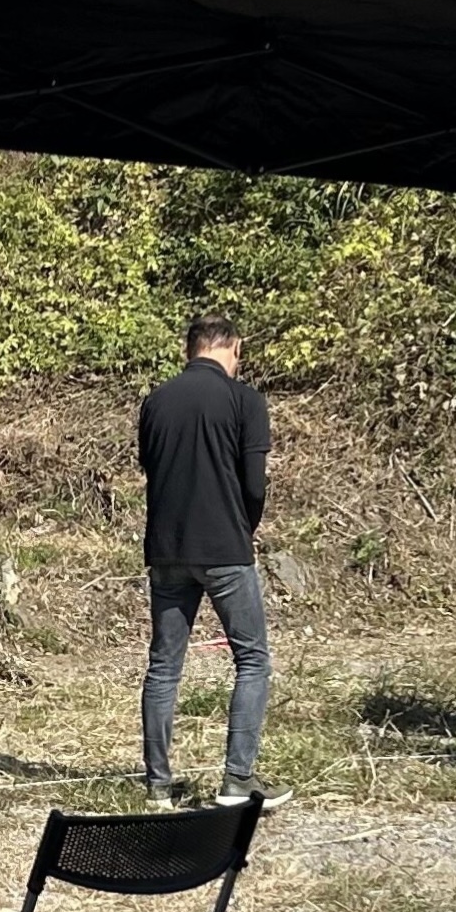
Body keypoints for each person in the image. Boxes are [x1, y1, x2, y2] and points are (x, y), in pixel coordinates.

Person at [138, 310, 284, 809]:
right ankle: (236, 781)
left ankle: (158, 784)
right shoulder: (245, 401)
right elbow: (254, 485)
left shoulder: (156, 401)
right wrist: (245, 528)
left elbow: (153, 470)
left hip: (167, 550)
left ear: (190, 349)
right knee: (252, 659)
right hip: (224, 548)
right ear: (233, 349)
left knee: (164, 667)